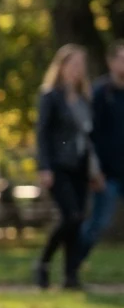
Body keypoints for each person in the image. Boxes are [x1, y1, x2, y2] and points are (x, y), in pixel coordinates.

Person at [34, 44, 102, 290]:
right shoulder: (50, 96)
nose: (78, 69)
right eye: (74, 64)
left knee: (78, 219)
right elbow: (42, 134)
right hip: (58, 165)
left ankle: (70, 276)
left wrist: (94, 170)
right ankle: (43, 262)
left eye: (81, 65)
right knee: (71, 216)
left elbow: (88, 137)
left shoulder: (85, 97)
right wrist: (44, 167)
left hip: (80, 166)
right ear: (61, 67)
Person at [81, 40, 124, 257]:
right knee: (98, 224)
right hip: (107, 174)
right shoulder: (99, 93)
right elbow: (89, 135)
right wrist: (94, 170)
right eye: (122, 59)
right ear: (111, 62)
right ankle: (72, 268)